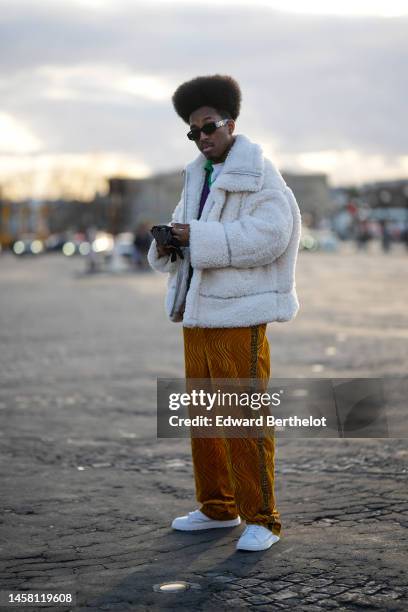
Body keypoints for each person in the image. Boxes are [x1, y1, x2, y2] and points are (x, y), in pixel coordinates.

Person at [147, 74, 301, 552]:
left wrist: (200, 238)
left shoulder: (258, 172)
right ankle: (218, 508)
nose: (202, 137)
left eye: (208, 126)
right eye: (193, 131)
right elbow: (189, 231)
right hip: (198, 314)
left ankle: (263, 518)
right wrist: (170, 242)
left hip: (239, 313)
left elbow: (271, 236)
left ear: (230, 123)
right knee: (206, 419)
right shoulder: (197, 176)